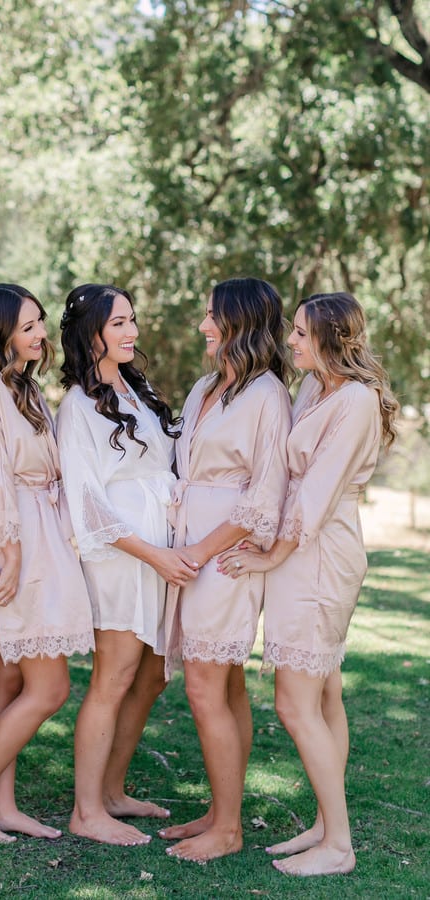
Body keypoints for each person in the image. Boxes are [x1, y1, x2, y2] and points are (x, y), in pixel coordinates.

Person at [219, 291, 399, 876]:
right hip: (304, 550)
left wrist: (271, 555)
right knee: (323, 695)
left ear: (330, 338)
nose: (291, 340)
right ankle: (325, 823)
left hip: (320, 553)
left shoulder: (357, 401)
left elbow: (318, 490)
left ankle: (339, 846)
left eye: (301, 332)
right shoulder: (314, 388)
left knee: (294, 704)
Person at [0, 284, 95, 845]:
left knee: (12, 676)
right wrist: (7, 551)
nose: (40, 334)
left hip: (44, 531)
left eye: (39, 323)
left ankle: (2, 805)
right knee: (50, 687)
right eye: (27, 326)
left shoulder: (22, 385)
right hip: (18, 537)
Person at [56, 283, 199, 846]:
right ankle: (86, 810)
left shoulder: (137, 390)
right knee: (113, 677)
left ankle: (113, 791)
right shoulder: (77, 407)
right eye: (118, 322)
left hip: (161, 550)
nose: (132, 331)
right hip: (123, 556)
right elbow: (88, 503)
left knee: (151, 676)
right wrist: (154, 554)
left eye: (132, 320)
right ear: (90, 332)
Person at [159, 276, 293, 863]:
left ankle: (230, 830)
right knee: (227, 682)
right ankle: (221, 811)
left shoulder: (268, 396)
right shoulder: (206, 386)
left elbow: (264, 496)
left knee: (203, 685)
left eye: (212, 316)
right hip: (192, 544)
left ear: (239, 323)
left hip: (224, 555)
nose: (203, 326)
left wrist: (197, 552)